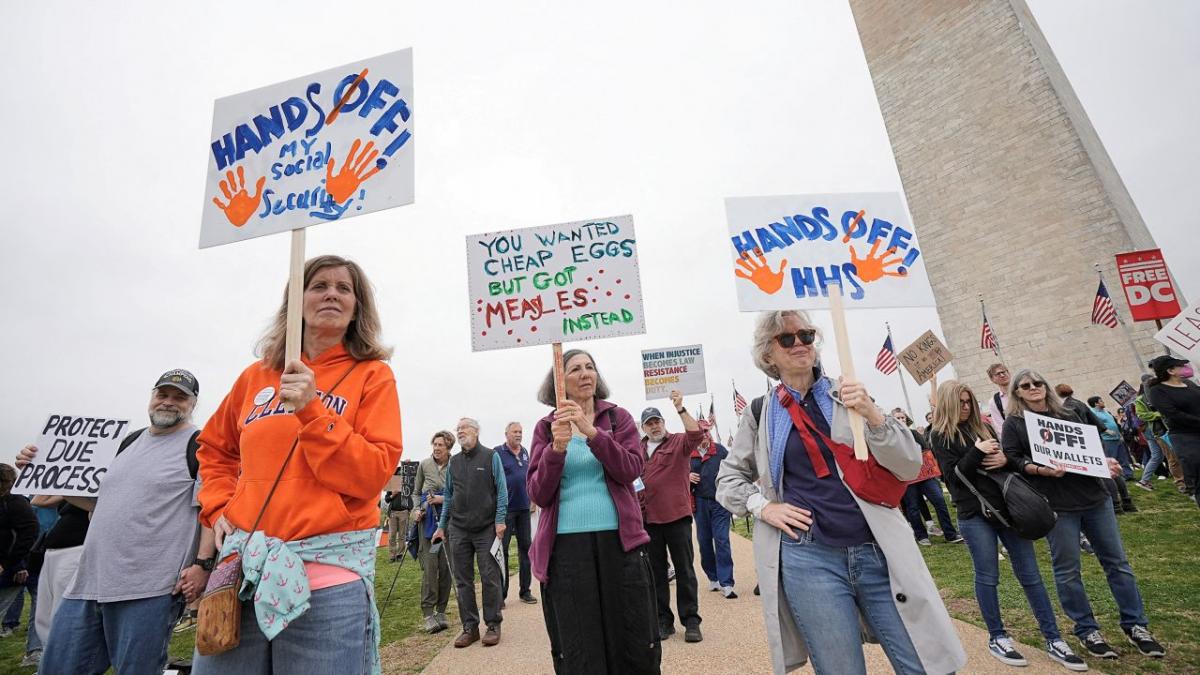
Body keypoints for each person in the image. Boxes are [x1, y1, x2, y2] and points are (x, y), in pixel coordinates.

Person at [716, 310, 966, 675]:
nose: (800, 343)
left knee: (926, 664)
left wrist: (873, 414)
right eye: (786, 338)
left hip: (877, 549)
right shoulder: (760, 412)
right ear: (768, 354)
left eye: (806, 335)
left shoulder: (848, 393)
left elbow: (910, 464)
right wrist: (763, 506)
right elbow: (728, 479)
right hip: (809, 558)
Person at [193, 255, 403, 675]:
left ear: (357, 307)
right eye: (318, 285)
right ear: (296, 301)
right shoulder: (255, 377)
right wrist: (218, 507)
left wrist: (312, 410)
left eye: (344, 289)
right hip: (243, 574)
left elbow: (372, 474)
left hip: (328, 585)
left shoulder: (373, 376)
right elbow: (215, 450)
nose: (331, 294)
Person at [23, 370, 216, 675]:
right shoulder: (125, 443)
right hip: (87, 582)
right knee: (57, 667)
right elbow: (98, 505)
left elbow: (210, 510)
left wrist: (202, 565)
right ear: (151, 397)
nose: (168, 402)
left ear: (193, 404)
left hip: (149, 588)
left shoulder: (200, 446)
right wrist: (43, 468)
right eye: (162, 394)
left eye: (179, 397)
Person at [1001, 369, 1165, 660]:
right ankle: (1087, 629)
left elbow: (1091, 449)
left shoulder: (1068, 414)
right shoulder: (1015, 424)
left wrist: (1106, 463)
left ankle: (1136, 625)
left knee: (1117, 563)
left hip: (1094, 497)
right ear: (1017, 393)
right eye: (1025, 385)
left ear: (1046, 386)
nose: (1034, 387)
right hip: (1056, 504)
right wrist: (1041, 470)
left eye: (1038, 383)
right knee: (1067, 570)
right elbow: (1013, 459)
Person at [927, 381, 1086, 671]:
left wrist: (1004, 459)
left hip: (1008, 509)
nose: (966, 407)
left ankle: (1053, 638)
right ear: (949, 403)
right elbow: (953, 478)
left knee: (1031, 575)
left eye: (969, 401)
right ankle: (997, 636)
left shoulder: (984, 428)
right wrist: (977, 451)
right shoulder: (940, 435)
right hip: (975, 514)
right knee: (988, 576)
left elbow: (1009, 463)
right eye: (960, 402)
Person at [528, 348, 660, 674]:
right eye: (575, 369)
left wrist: (591, 433)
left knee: (631, 637)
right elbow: (538, 493)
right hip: (566, 549)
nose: (585, 373)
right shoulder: (546, 428)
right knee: (580, 644)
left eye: (590, 367)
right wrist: (556, 450)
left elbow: (630, 469)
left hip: (620, 543)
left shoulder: (618, 418)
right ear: (559, 382)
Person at [432, 418, 508, 648]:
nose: (459, 431)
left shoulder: (491, 456)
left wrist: (500, 520)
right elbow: (448, 496)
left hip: (486, 527)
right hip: (458, 528)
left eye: (463, 428)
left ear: (476, 431)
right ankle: (470, 627)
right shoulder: (454, 462)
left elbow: (502, 490)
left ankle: (493, 624)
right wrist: (442, 525)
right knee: (463, 580)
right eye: (458, 429)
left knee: (489, 577)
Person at [640, 392, 706, 642]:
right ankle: (663, 622)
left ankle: (691, 621)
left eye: (657, 421)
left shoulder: (678, 442)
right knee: (656, 573)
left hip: (677, 517)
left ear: (663, 422)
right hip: (649, 520)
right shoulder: (637, 449)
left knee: (684, 570)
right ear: (644, 428)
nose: (654, 426)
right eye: (649, 423)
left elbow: (696, 434)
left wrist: (680, 408)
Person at [892, 409, 963, 546]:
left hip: (925, 475)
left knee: (939, 501)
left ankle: (950, 534)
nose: (901, 420)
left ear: (906, 420)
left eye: (903, 417)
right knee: (912, 507)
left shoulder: (915, 434)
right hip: (907, 478)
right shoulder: (891, 438)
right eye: (898, 418)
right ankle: (921, 536)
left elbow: (926, 452)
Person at [689, 419, 736, 598]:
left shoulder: (721, 451)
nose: (704, 435)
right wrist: (686, 476)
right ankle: (713, 577)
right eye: (700, 432)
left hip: (720, 502)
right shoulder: (687, 453)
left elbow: (733, 470)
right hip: (699, 502)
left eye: (706, 431)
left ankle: (727, 582)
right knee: (704, 541)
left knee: (722, 539)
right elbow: (676, 474)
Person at [413, 431, 453, 633]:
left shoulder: (456, 465)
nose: (436, 448)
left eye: (441, 445)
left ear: (449, 448)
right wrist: (416, 509)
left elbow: (461, 493)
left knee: (446, 568)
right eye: (435, 444)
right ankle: (428, 613)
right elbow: (416, 492)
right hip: (428, 522)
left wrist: (442, 499)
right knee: (430, 568)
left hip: (449, 523)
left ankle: (441, 610)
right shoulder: (424, 464)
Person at [1146, 355, 1200, 504]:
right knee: (1197, 471)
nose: (1184, 368)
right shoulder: (1157, 390)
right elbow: (1173, 414)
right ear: (1170, 371)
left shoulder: (1189, 384)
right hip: (1185, 437)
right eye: (1180, 366)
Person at [496, 421, 536, 605]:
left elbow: (530, 477)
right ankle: (501, 595)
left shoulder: (525, 452)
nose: (518, 434)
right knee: (503, 551)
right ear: (506, 434)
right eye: (515, 432)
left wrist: (533, 499)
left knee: (526, 549)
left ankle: (525, 591)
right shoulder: (498, 452)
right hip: (506, 510)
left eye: (520, 431)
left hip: (524, 509)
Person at [1134, 377, 1187, 493]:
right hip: (1160, 432)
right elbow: (1142, 415)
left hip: (1175, 427)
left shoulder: (1163, 392)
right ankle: (1180, 483)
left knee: (1182, 454)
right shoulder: (1141, 400)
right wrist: (1158, 414)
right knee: (1172, 458)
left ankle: (1189, 478)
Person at [1089, 396, 1133, 479]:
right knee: (1112, 459)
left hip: (1117, 438)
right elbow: (1094, 425)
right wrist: (1106, 431)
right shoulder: (1093, 413)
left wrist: (1120, 435)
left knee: (1123, 458)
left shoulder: (1106, 411)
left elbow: (1114, 423)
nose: (1103, 402)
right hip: (1107, 440)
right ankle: (1116, 477)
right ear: (1096, 403)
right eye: (1101, 401)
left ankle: (1128, 475)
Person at [383, 483, 413, 563]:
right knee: (392, 535)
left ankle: (400, 555)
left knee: (402, 535)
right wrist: (392, 495)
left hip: (404, 512)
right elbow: (386, 499)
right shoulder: (392, 484)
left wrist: (408, 510)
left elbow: (411, 497)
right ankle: (392, 556)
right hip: (393, 513)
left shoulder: (406, 484)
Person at [985, 363, 1012, 438]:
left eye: (1003, 372)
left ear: (1009, 373)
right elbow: (1000, 428)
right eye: (998, 374)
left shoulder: (1024, 390)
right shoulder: (994, 402)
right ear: (992, 379)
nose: (1002, 375)